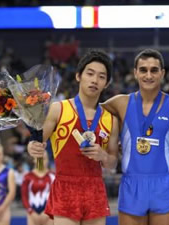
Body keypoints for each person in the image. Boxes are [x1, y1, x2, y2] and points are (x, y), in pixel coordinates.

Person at [27, 50, 119, 225]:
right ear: (78, 76)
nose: (94, 80)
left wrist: (104, 156)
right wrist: (32, 147)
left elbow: (112, 164)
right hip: (65, 186)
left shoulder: (111, 119)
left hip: (95, 188)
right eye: (90, 74)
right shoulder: (58, 109)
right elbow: (37, 144)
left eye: (101, 77)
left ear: (106, 83)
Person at [102, 49, 169, 225]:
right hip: (131, 185)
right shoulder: (120, 103)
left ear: (162, 73)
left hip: (162, 185)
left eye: (154, 70)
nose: (148, 75)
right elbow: (90, 115)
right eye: (143, 70)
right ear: (135, 73)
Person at [21, 151, 55, 225]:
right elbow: (24, 197)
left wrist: (48, 211)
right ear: (34, 160)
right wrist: (30, 211)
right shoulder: (27, 177)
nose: (42, 161)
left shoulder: (53, 176)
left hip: (48, 215)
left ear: (48, 160)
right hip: (32, 214)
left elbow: (56, 197)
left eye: (44, 159)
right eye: (40, 159)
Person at [0, 143, 16, 225]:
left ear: (2, 155)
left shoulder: (9, 172)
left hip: (4, 207)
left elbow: (12, 192)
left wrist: (1, 208)